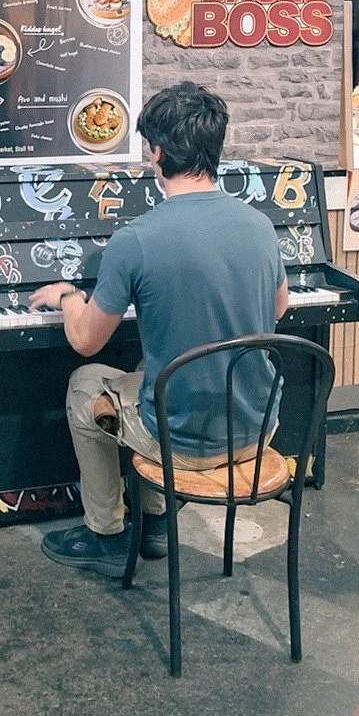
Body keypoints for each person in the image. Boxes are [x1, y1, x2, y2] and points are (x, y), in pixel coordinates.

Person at [34, 81, 288, 577]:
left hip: (184, 447)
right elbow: (278, 308)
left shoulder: (136, 240)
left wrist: (68, 297)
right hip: (257, 431)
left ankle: (105, 534)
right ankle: (155, 522)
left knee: (85, 384)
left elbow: (85, 341)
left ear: (156, 152)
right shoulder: (259, 224)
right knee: (145, 368)